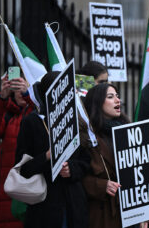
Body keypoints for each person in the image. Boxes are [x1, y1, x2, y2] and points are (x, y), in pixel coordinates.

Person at [15, 71, 89, 228]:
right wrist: (47, 156)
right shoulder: (32, 122)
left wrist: (72, 169)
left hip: (73, 207)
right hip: (45, 207)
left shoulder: (75, 120)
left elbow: (86, 161)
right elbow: (22, 169)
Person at [82, 83, 129, 228]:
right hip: (102, 216)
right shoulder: (88, 137)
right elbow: (77, 176)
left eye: (117, 96)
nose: (117, 100)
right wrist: (102, 186)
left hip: (128, 213)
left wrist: (144, 213)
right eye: (110, 97)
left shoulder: (128, 132)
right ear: (97, 103)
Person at [0, 75, 35, 228]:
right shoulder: (8, 113)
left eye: (24, 85)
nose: (20, 90)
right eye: (16, 86)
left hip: (29, 193)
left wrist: (28, 95)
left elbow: (41, 112)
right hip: (5, 194)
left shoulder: (36, 114)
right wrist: (1, 98)